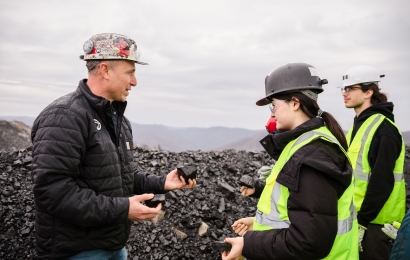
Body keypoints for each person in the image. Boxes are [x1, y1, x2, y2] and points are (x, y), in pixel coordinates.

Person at [30, 33, 196, 260]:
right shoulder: (64, 117)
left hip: (114, 247)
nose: (134, 81)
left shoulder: (119, 120)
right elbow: (53, 192)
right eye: (130, 73)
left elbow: (119, 177)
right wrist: (123, 209)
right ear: (105, 70)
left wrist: (162, 183)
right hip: (76, 252)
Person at [223, 63, 358, 260]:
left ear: (295, 103)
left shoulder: (312, 154)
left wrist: (248, 243)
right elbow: (302, 213)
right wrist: (260, 226)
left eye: (274, 105)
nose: (272, 113)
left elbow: (308, 242)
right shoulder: (305, 145)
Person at [340, 65, 406, 260]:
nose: (345, 93)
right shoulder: (358, 127)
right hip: (360, 220)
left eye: (351, 88)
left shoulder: (383, 129)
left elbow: (382, 181)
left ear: (369, 92)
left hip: (377, 225)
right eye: (343, 89)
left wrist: (362, 221)